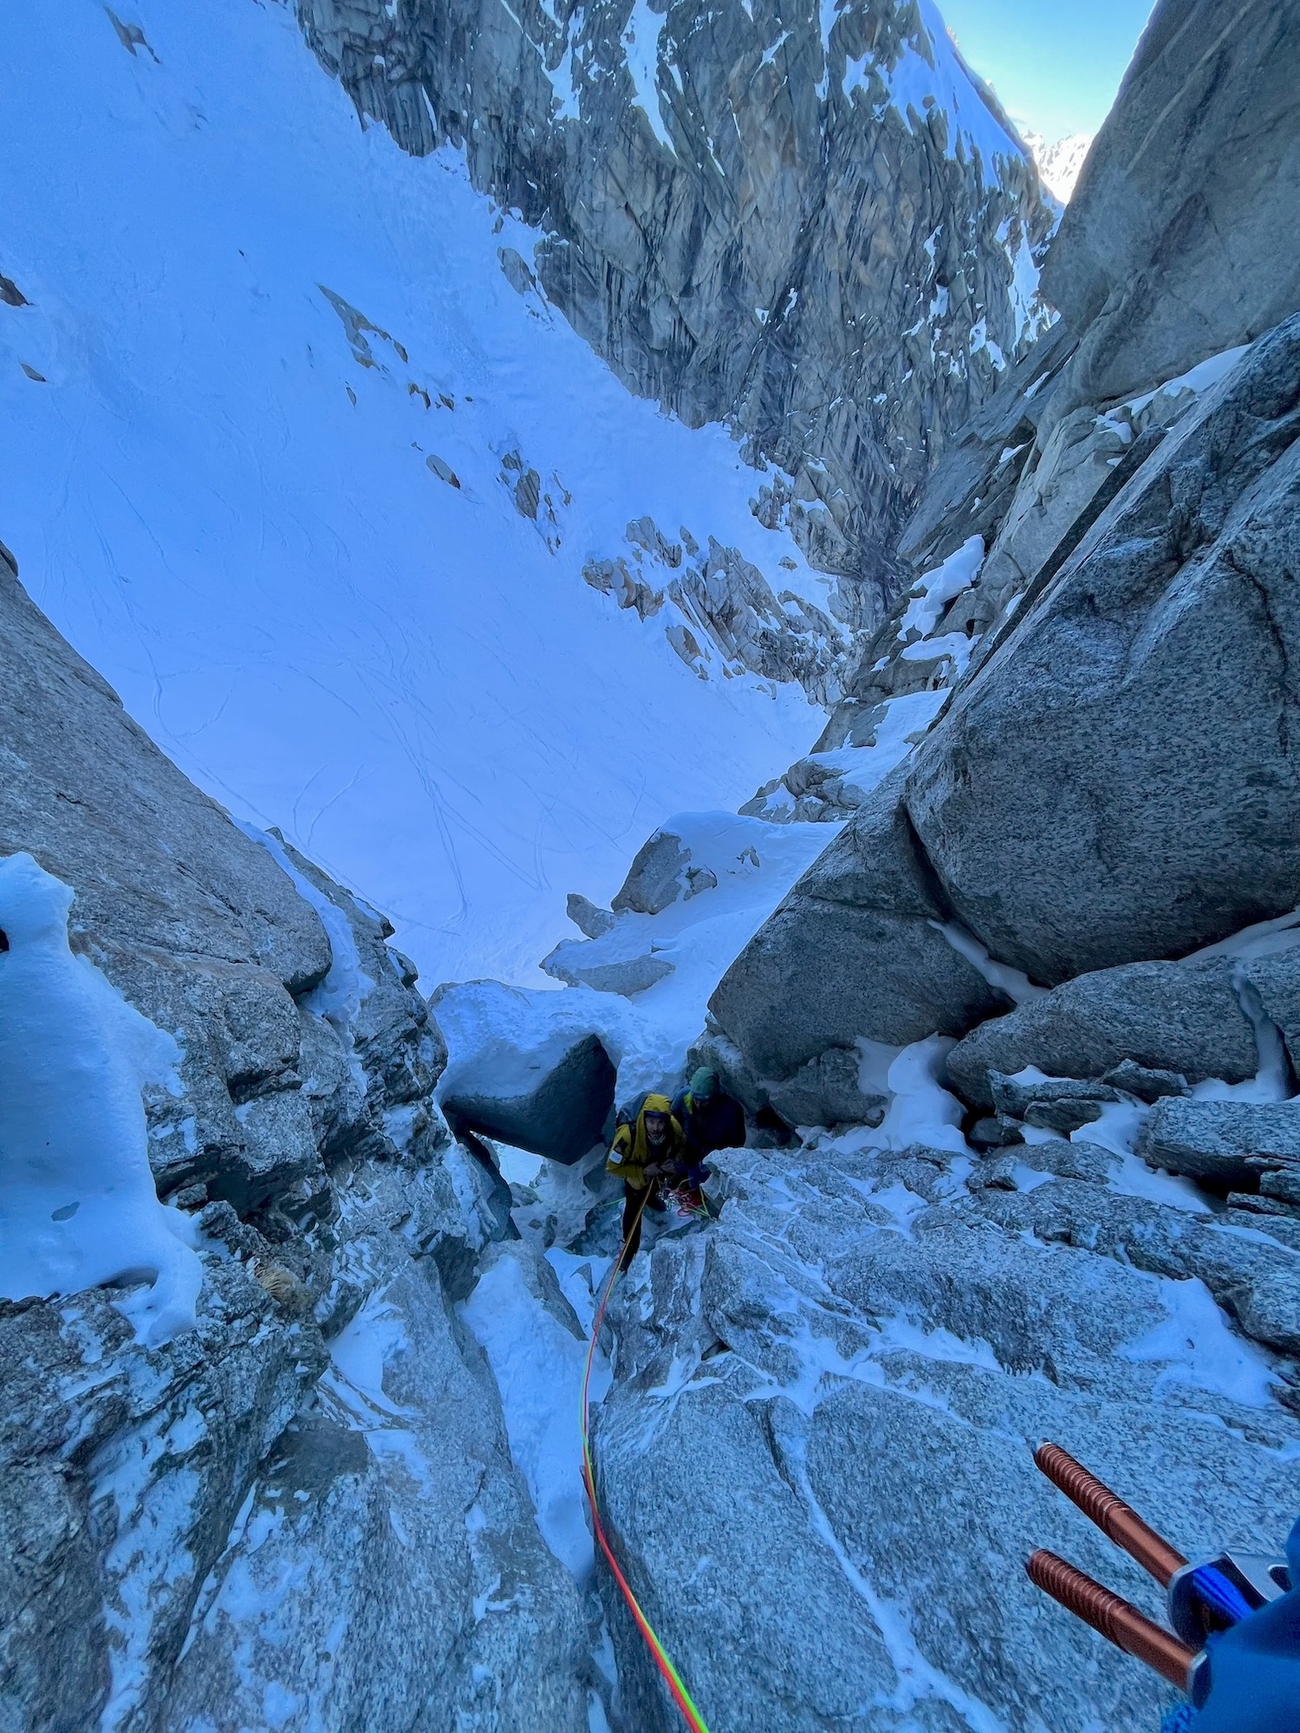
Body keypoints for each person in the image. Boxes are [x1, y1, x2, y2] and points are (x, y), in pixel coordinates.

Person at [606, 1092, 686, 1266]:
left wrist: (674, 1162)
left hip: (658, 1169)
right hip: (635, 1172)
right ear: (644, 1119)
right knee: (634, 1208)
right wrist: (642, 1171)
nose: (655, 1128)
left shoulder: (674, 1129)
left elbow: (681, 1146)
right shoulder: (627, 1136)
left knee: (653, 1189)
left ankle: (652, 1201)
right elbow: (612, 1166)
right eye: (651, 1122)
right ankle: (629, 1250)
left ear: (666, 1121)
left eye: (660, 1122)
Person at [670, 1067, 745, 1207]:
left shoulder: (730, 1110)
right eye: (696, 1099)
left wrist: (711, 1160)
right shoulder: (685, 1097)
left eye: (704, 1101)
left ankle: (697, 1192)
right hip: (689, 1147)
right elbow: (671, 1120)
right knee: (675, 1171)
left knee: (698, 1179)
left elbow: (737, 1144)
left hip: (711, 1154)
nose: (698, 1104)